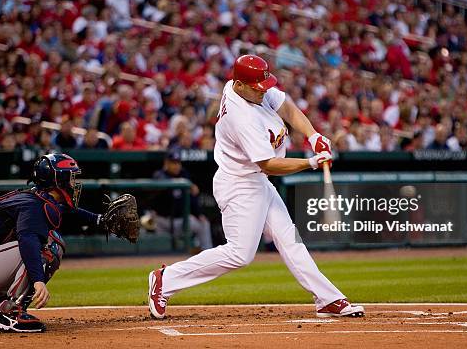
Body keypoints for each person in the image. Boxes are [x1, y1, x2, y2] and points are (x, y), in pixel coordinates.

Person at [148, 54, 364, 319]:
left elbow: (289, 110)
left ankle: (328, 299)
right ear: (239, 84)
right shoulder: (242, 117)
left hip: (256, 181)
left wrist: (314, 135)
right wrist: (310, 162)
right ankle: (165, 279)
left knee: (290, 240)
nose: (264, 92)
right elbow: (268, 164)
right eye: (257, 88)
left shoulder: (250, 87)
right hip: (240, 185)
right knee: (240, 254)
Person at [0, 154, 104, 333]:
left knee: (42, 243)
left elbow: (65, 211)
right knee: (49, 246)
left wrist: (99, 220)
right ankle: (10, 313)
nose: (73, 183)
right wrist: (38, 280)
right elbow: (28, 241)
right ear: (57, 180)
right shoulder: (32, 204)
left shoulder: (34, 198)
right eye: (70, 177)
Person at [151, 149, 213, 251]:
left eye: (178, 162)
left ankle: (207, 253)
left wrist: (198, 214)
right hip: (161, 222)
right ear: (166, 163)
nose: (176, 166)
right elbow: (161, 180)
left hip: (180, 221)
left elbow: (191, 199)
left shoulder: (184, 174)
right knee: (160, 251)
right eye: (173, 163)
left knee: (203, 224)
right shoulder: (159, 175)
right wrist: (184, 184)